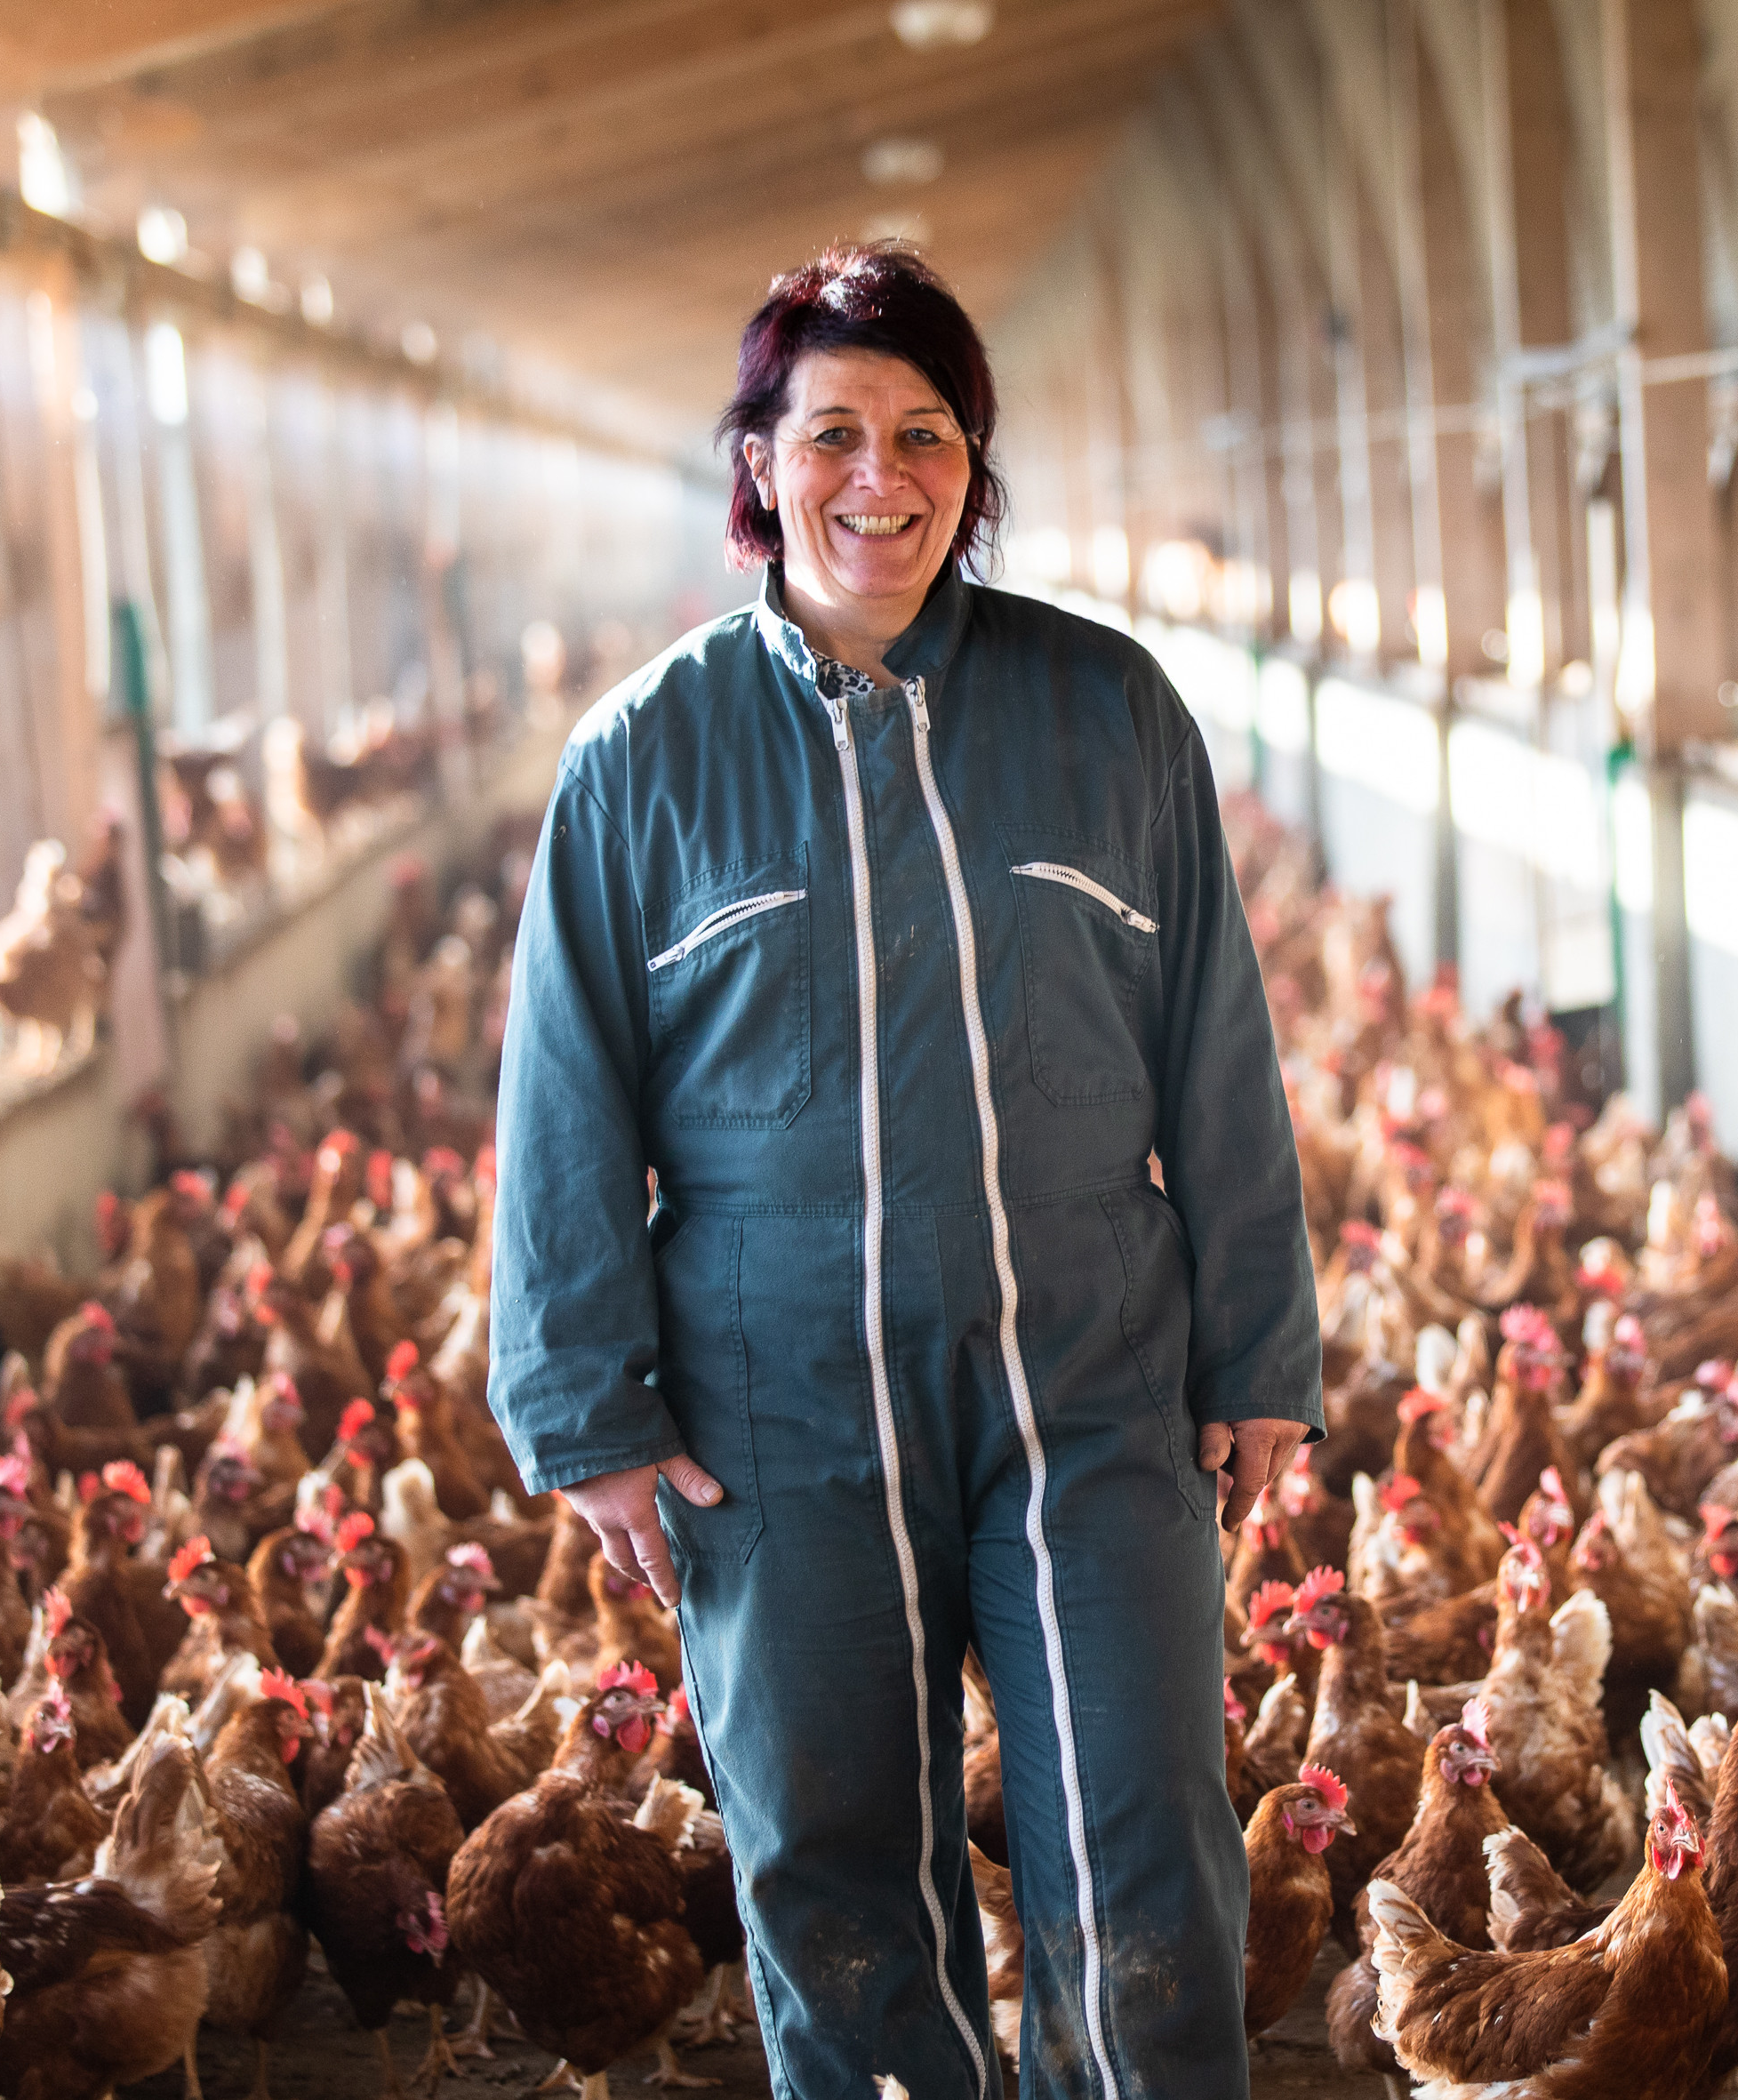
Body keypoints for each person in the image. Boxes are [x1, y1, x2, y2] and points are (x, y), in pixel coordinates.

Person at [486, 241, 1320, 2099]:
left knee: (1139, 1845)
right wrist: (586, 1403)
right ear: (758, 464)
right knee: (832, 1865)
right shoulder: (643, 761)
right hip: (775, 1392)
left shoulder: (1108, 713)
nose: (884, 476)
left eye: (927, 432)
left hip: (1089, 1372)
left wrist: (1258, 1356)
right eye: (836, 431)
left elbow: (1219, 1049)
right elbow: (563, 1095)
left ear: (975, 461)